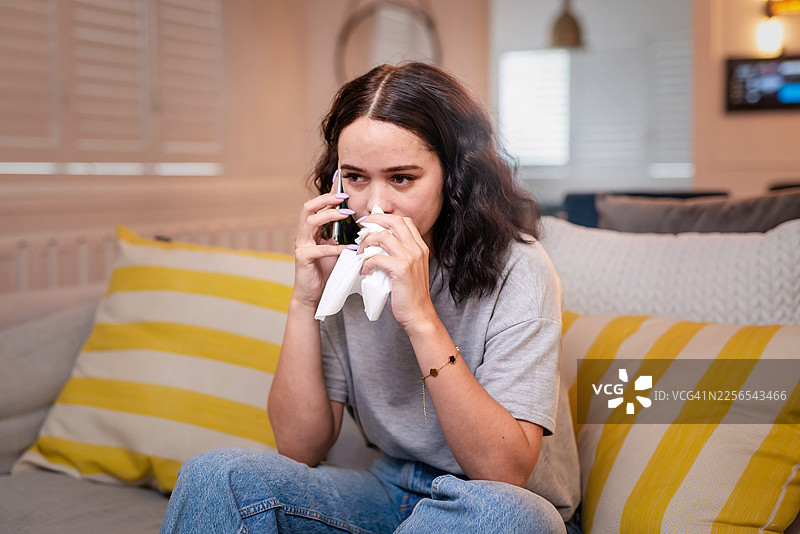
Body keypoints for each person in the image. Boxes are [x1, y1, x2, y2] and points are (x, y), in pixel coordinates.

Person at [160, 62, 576, 533]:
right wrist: (305, 301)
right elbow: (300, 448)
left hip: (493, 507)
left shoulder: (519, 268)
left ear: (455, 175)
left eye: (402, 178)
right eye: (356, 177)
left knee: (507, 516)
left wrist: (420, 316)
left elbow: (504, 475)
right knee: (215, 476)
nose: (376, 206)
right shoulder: (346, 263)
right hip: (388, 489)